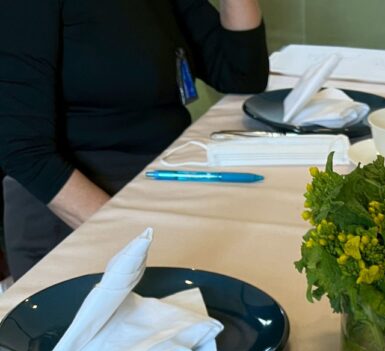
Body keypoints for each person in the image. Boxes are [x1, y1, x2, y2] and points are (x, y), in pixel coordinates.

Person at [0, 1, 269, 280]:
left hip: (165, 177)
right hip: (76, 206)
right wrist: (135, 240)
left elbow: (242, 75)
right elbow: (24, 152)